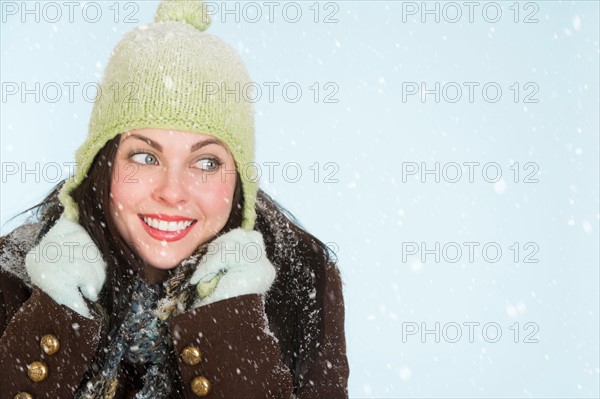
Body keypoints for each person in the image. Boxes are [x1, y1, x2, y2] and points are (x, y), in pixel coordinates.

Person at [0, 1, 349, 398]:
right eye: (146, 157)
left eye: (206, 162)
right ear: (103, 164)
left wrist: (231, 324)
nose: (172, 191)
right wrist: (54, 315)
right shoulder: (14, 275)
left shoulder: (300, 280)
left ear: (239, 182)